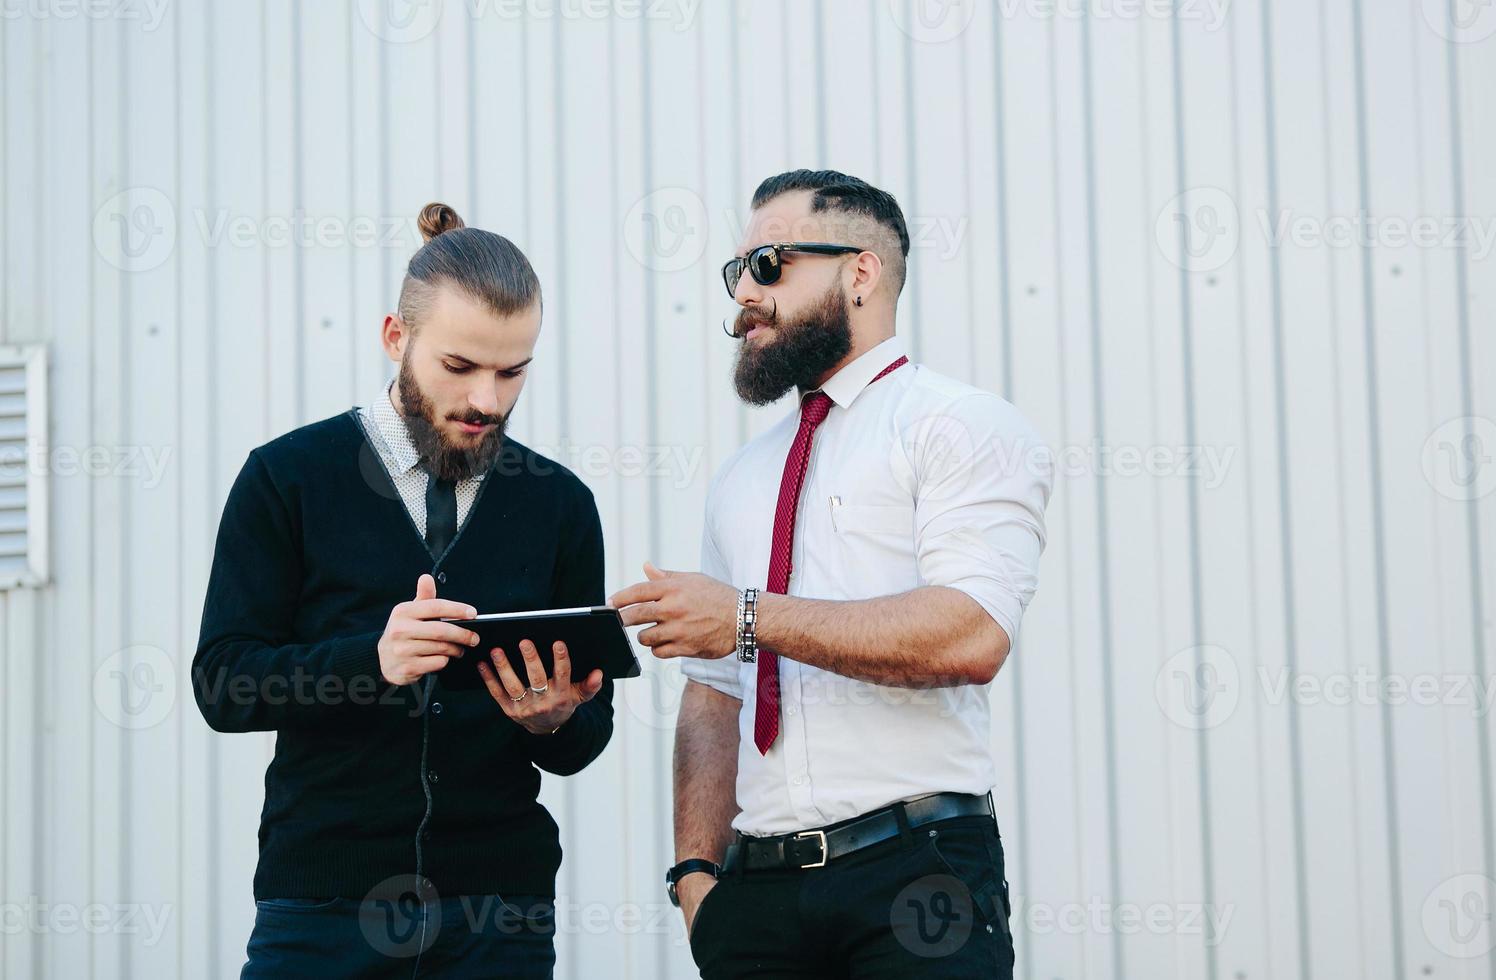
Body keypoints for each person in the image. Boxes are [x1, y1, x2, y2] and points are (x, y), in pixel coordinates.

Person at [611, 170, 1052, 977]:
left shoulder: (959, 426)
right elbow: (716, 690)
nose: (745, 290)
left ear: (860, 273)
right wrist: (696, 880)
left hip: (915, 878)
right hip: (756, 897)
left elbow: (970, 634)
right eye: (736, 270)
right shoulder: (743, 476)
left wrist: (746, 616)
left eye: (770, 262)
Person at [193, 202, 613, 979]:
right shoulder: (287, 478)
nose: (487, 400)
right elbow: (222, 683)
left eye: (512, 371)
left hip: (499, 919)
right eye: (459, 367)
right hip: (320, 913)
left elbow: (587, 740)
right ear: (397, 338)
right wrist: (371, 660)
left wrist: (556, 721)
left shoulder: (559, 504)